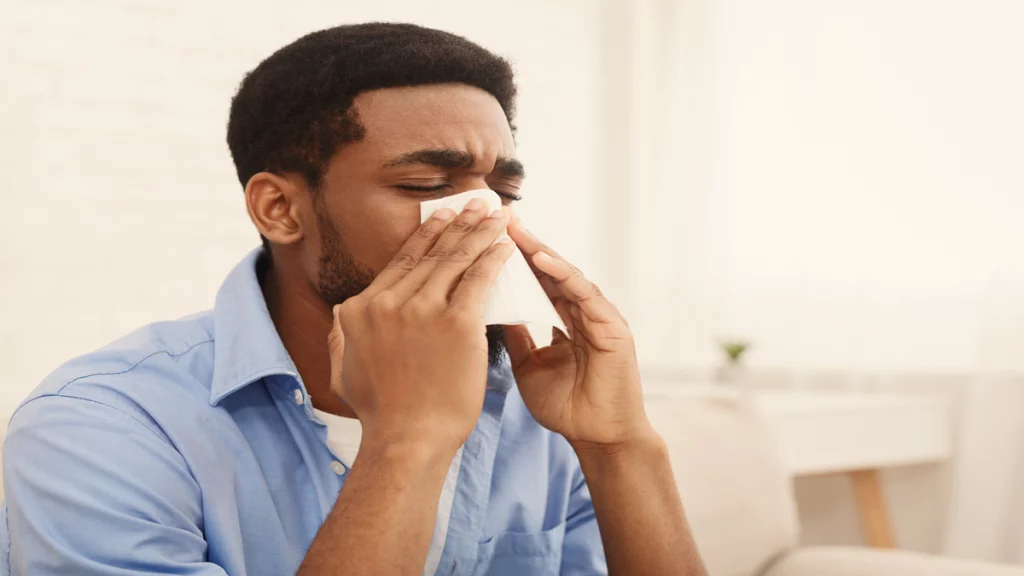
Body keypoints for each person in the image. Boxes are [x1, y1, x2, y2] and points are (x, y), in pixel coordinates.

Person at [0, 23, 705, 576]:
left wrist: (619, 447)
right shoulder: (100, 428)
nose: (487, 221)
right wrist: (406, 442)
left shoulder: (533, 409)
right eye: (428, 186)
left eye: (504, 193)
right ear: (279, 209)